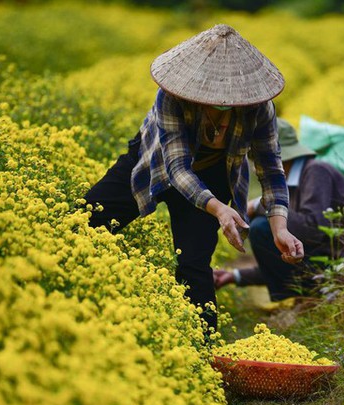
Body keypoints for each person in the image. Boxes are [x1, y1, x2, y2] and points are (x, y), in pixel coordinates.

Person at [81, 24, 304, 334]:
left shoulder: (259, 108)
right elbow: (177, 168)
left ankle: (201, 343)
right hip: (154, 159)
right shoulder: (172, 97)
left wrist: (281, 227)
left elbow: (270, 167)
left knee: (194, 263)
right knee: (90, 218)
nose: (223, 101)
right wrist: (219, 209)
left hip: (214, 173)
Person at [213, 118, 344, 301]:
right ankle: (305, 300)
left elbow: (312, 230)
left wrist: (261, 205)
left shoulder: (317, 171)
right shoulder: (293, 181)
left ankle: (308, 300)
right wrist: (235, 276)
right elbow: (281, 263)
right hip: (329, 268)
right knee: (267, 228)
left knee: (261, 227)